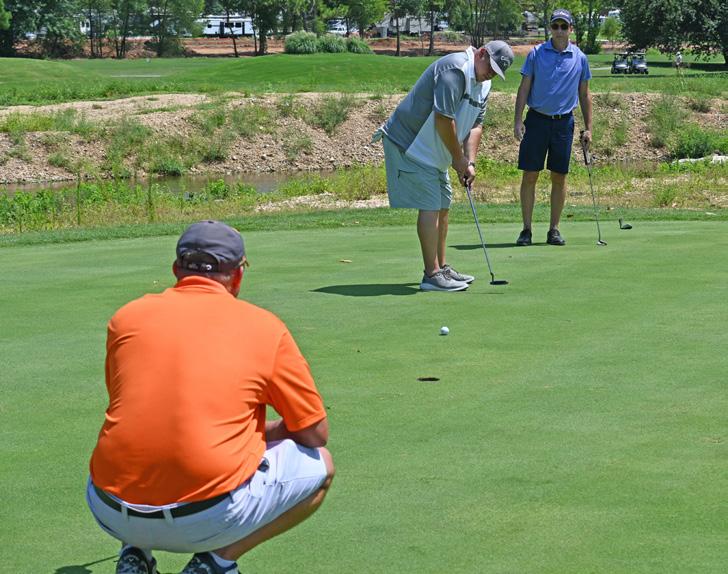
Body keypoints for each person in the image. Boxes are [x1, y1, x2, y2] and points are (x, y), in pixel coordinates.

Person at [86, 220, 334, 574]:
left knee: (138, 435)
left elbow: (134, 409)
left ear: (176, 269)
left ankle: (134, 552)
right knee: (321, 466)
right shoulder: (265, 327)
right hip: (208, 519)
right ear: (238, 275)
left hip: (109, 510)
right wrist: (261, 434)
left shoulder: (126, 317)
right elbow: (314, 434)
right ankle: (216, 563)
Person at [374, 40, 514, 291]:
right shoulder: (455, 69)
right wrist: (458, 159)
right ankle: (431, 275)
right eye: (490, 67)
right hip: (410, 143)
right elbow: (443, 118)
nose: (491, 74)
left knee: (443, 203)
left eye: (496, 72)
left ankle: (441, 268)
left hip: (433, 150)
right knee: (430, 204)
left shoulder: (484, 84)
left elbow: (475, 125)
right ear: (482, 53)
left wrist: (469, 161)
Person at [513, 8, 593, 246]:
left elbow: (585, 94)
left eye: (563, 26)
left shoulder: (580, 58)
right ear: (550, 28)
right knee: (530, 175)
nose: (559, 31)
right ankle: (526, 230)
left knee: (559, 176)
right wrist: (517, 120)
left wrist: (589, 127)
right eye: (555, 26)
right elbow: (524, 88)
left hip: (563, 123)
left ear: (571, 29)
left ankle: (554, 230)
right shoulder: (536, 53)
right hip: (536, 120)